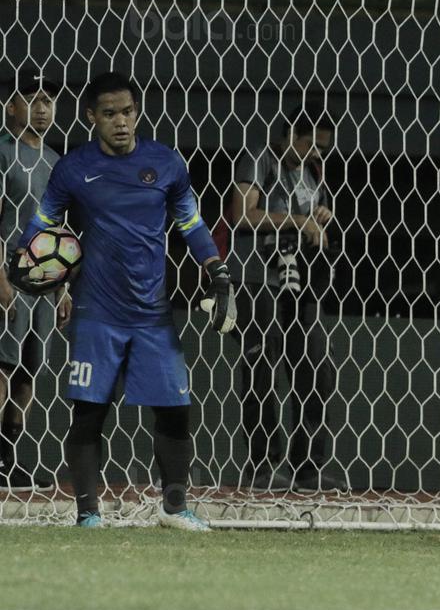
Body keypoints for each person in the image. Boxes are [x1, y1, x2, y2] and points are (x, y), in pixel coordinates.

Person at [6, 71, 236, 529]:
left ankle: (174, 508)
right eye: (109, 113)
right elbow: (43, 223)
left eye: (127, 112)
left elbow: (190, 224)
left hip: (152, 312)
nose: (121, 122)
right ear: (92, 117)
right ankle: (88, 514)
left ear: (137, 112)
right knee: (90, 411)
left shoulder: (165, 162)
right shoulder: (72, 168)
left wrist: (217, 270)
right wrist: (23, 261)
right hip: (96, 312)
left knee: (174, 411)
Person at [226, 103, 344, 493]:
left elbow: (311, 219)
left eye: (324, 149)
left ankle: (307, 465)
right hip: (258, 275)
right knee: (261, 368)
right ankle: (262, 465)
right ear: (290, 134)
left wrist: (321, 216)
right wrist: (299, 220)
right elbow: (241, 214)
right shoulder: (260, 158)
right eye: (313, 144)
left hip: (301, 282)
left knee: (315, 369)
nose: (318, 154)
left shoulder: (313, 174)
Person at [0, 68, 70, 492]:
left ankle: (9, 460)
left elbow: (59, 229)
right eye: (34, 98)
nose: (43, 108)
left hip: (44, 277)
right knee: (3, 365)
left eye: (49, 100)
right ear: (13, 106)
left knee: (30, 368)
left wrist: (64, 286)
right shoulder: (3, 152)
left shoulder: (55, 161)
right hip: (10, 273)